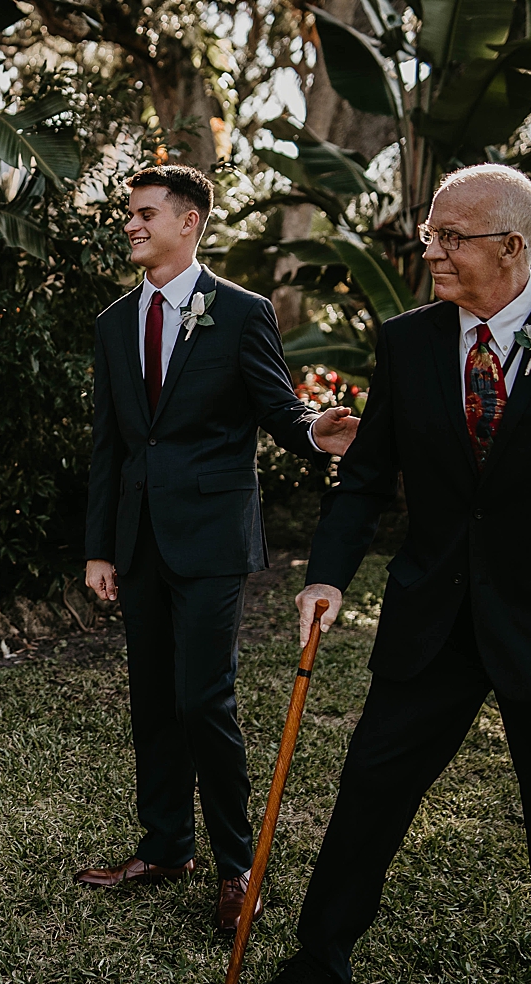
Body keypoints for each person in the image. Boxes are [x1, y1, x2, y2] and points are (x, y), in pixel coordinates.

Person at [243, 164, 531, 984]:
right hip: (434, 616)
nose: (428, 249)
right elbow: (367, 476)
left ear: (512, 246)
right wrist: (329, 575)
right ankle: (321, 963)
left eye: (449, 237)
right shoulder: (407, 341)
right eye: (429, 233)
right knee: (369, 795)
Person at [75, 165, 358, 934]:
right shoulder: (112, 322)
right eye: (127, 215)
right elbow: (111, 447)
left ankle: (239, 865)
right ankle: (166, 844)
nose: (130, 225)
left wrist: (312, 433)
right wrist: (101, 547)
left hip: (210, 539)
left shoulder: (240, 312)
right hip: (137, 541)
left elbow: (278, 405)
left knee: (205, 698)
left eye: (143, 214)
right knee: (152, 701)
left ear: (189, 221)